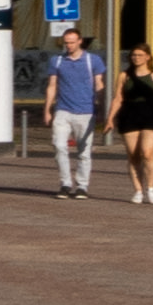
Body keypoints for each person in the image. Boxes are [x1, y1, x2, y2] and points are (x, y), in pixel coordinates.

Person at [46, 26, 107, 199]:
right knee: (59, 146)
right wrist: (47, 109)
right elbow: (52, 85)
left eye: (72, 42)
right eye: (66, 43)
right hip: (63, 110)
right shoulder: (57, 61)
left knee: (84, 151)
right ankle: (65, 183)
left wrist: (102, 109)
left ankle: (82, 186)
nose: (69, 46)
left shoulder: (92, 60)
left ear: (80, 41)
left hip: (85, 111)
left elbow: (99, 85)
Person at [118, 43, 153, 211]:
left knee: (147, 152)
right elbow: (118, 98)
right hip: (130, 115)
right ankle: (138, 190)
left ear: (148, 57)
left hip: (152, 115)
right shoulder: (124, 76)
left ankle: (151, 188)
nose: (136, 58)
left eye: (140, 55)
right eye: (134, 55)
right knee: (133, 155)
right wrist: (110, 118)